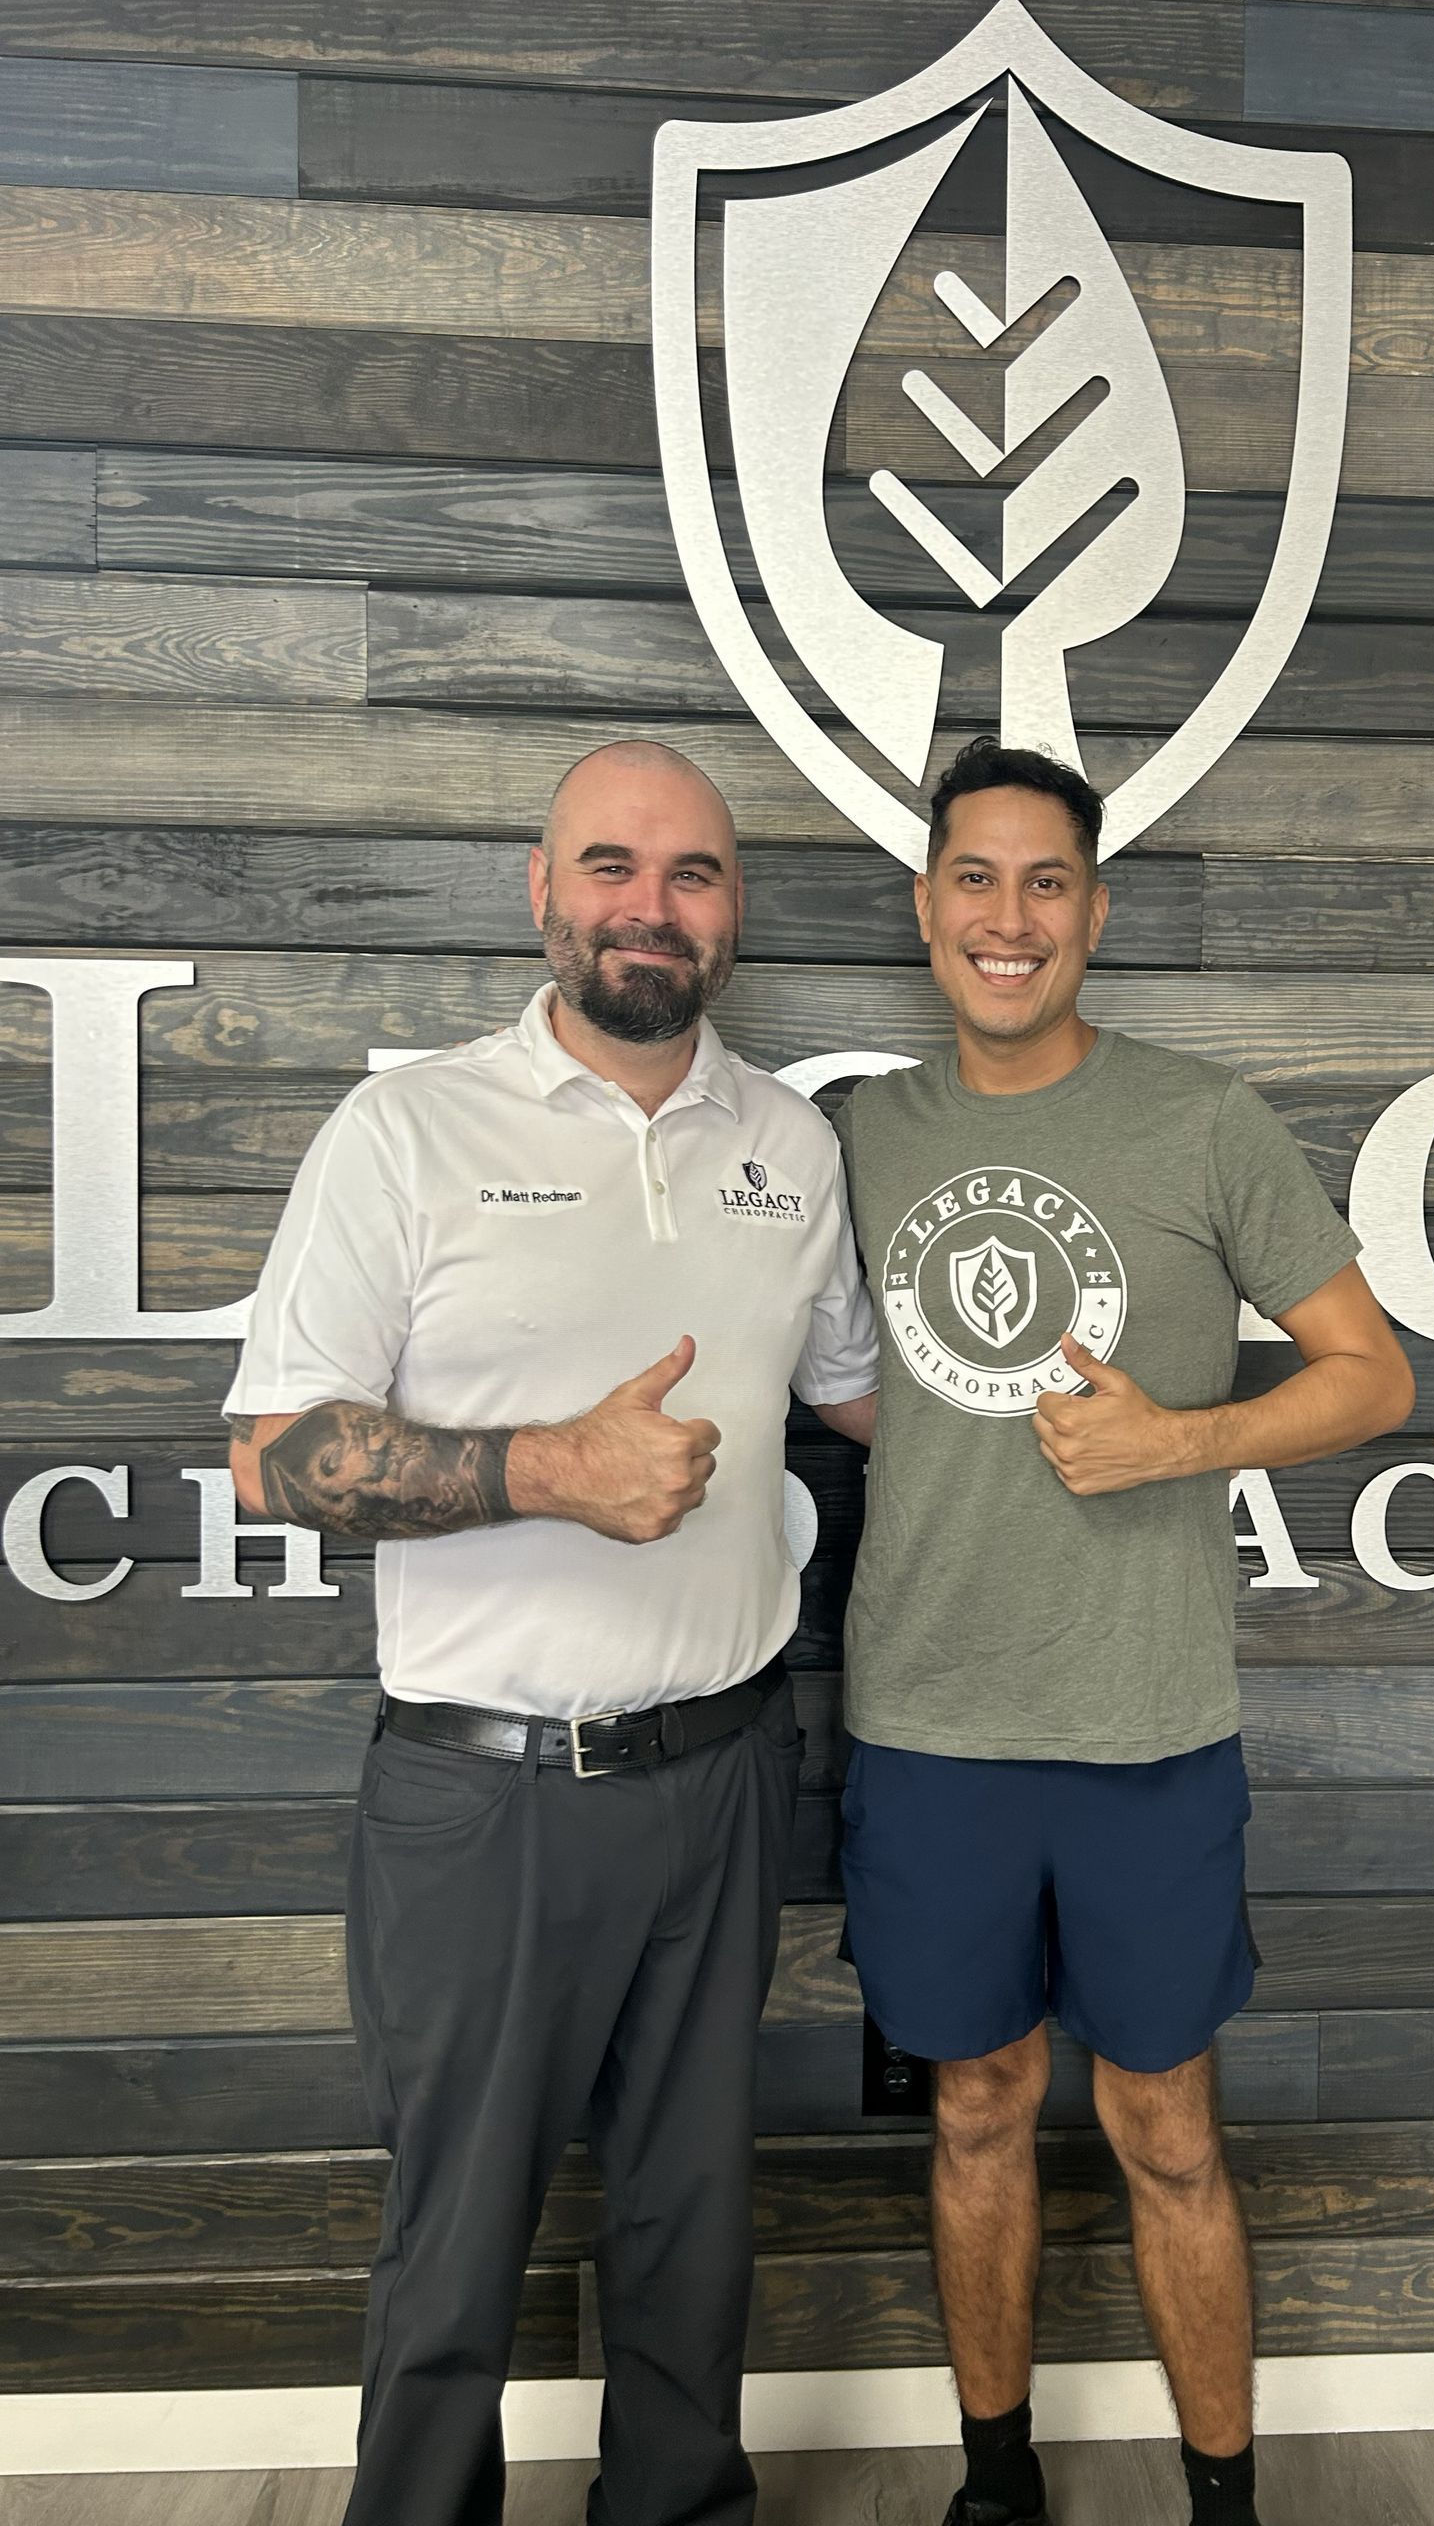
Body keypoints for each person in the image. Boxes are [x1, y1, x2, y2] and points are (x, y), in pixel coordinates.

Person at [224, 740, 878, 2526]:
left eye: (691, 875)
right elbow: (273, 1453)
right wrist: (546, 1467)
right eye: (611, 866)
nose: (648, 908)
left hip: (730, 1769)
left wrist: (1109, 1413)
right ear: (542, 891)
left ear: (734, 911)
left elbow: (861, 1394)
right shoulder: (411, 1130)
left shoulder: (790, 1145)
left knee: (692, 2233)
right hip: (486, 1796)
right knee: (453, 2255)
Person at [834, 737, 1415, 2526]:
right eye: (976, 880)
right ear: (926, 908)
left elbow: (1375, 1375)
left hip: (1148, 1727)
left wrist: (1181, 1438)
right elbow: (871, 1393)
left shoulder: (1201, 1122)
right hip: (927, 1723)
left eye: (1048, 883)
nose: (1009, 919)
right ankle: (995, 2486)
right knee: (977, 2108)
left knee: (1168, 2127)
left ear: (1095, 911)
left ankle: (1222, 2503)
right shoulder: (857, 1137)